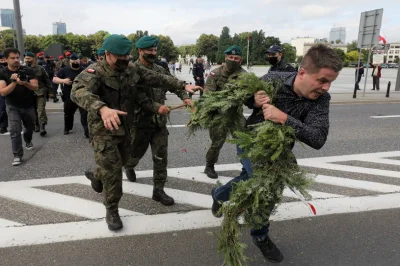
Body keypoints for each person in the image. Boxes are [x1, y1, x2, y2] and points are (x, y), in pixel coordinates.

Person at [211, 44, 342, 263]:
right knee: (266, 185)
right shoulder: (274, 80)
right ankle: (260, 236)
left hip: (280, 150)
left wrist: (283, 118)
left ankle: (219, 195)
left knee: (249, 178)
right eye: (322, 80)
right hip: (250, 141)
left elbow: (318, 138)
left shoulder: (321, 100)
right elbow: (244, 99)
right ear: (302, 73)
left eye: (331, 82)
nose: (326, 87)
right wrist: (254, 99)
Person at [71, 34, 201, 231]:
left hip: (126, 126)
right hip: (103, 128)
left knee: (122, 162)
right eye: (119, 58)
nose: (124, 61)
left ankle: (97, 174)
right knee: (114, 172)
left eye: (127, 57)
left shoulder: (132, 69)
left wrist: (182, 86)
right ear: (107, 54)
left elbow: (157, 77)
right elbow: (78, 91)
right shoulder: (95, 71)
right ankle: (112, 209)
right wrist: (102, 108)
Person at [123, 36, 192, 206]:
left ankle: (158, 190)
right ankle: (129, 166)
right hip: (139, 123)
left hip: (159, 122)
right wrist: (155, 107)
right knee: (133, 155)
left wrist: (185, 97)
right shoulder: (133, 71)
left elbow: (173, 84)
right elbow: (137, 96)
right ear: (140, 51)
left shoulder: (160, 69)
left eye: (155, 50)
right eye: (149, 51)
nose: (153, 53)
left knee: (161, 156)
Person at [203, 45, 246, 179]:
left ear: (241, 59)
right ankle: (209, 166)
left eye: (236, 58)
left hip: (236, 114)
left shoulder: (244, 76)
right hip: (219, 114)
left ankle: (247, 167)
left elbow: (248, 95)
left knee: (244, 141)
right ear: (226, 58)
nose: (233, 60)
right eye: (230, 57)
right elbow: (208, 95)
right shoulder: (215, 74)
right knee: (217, 142)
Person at [0, 48, 39, 166]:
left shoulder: (28, 70)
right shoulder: (3, 73)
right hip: (12, 106)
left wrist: (24, 82)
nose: (16, 60)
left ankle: (28, 140)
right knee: (15, 130)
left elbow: (35, 87)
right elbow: (3, 92)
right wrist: (14, 82)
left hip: (28, 105)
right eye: (12, 58)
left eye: (17, 57)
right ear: (6, 59)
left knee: (30, 126)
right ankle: (17, 155)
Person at [53, 54, 88, 137]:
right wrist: (63, 80)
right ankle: (67, 128)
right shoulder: (64, 70)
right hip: (69, 95)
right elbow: (54, 79)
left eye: (77, 60)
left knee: (84, 114)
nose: (75, 62)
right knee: (68, 113)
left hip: (82, 95)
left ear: (79, 61)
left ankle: (87, 131)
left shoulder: (84, 70)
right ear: (70, 62)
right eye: (73, 61)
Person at [24, 52, 52, 136]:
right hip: (28, 93)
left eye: (29, 58)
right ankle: (36, 124)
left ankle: (42, 127)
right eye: (26, 58)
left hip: (40, 92)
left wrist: (50, 92)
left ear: (33, 59)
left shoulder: (40, 68)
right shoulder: (23, 69)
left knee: (41, 110)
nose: (27, 60)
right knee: (32, 111)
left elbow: (47, 80)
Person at [0, 52, 8, 134]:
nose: (2, 60)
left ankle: (3, 126)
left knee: (3, 109)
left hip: (6, 89)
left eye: (3, 58)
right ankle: (2, 126)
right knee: (2, 109)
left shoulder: (7, 67)